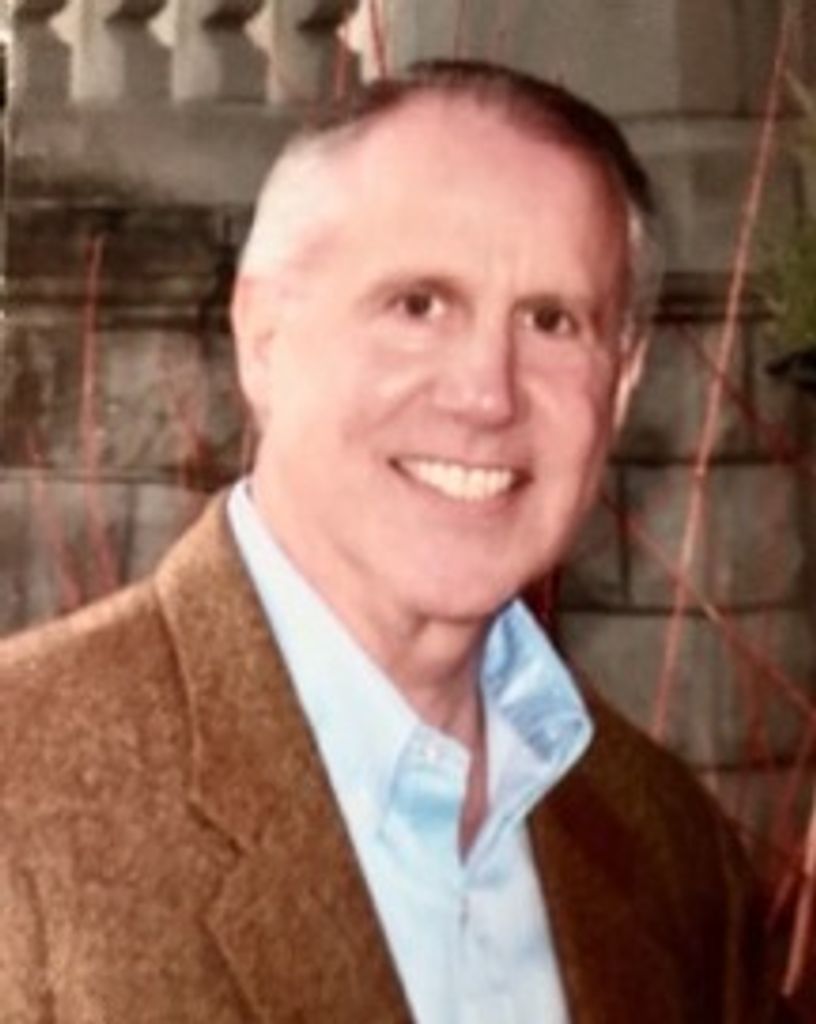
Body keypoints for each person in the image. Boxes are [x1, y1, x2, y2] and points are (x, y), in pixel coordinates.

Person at [0, 60, 791, 1023]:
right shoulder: (23, 791)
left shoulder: (671, 848)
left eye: (551, 321)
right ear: (264, 335)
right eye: (419, 305)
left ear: (621, 384)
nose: (487, 393)